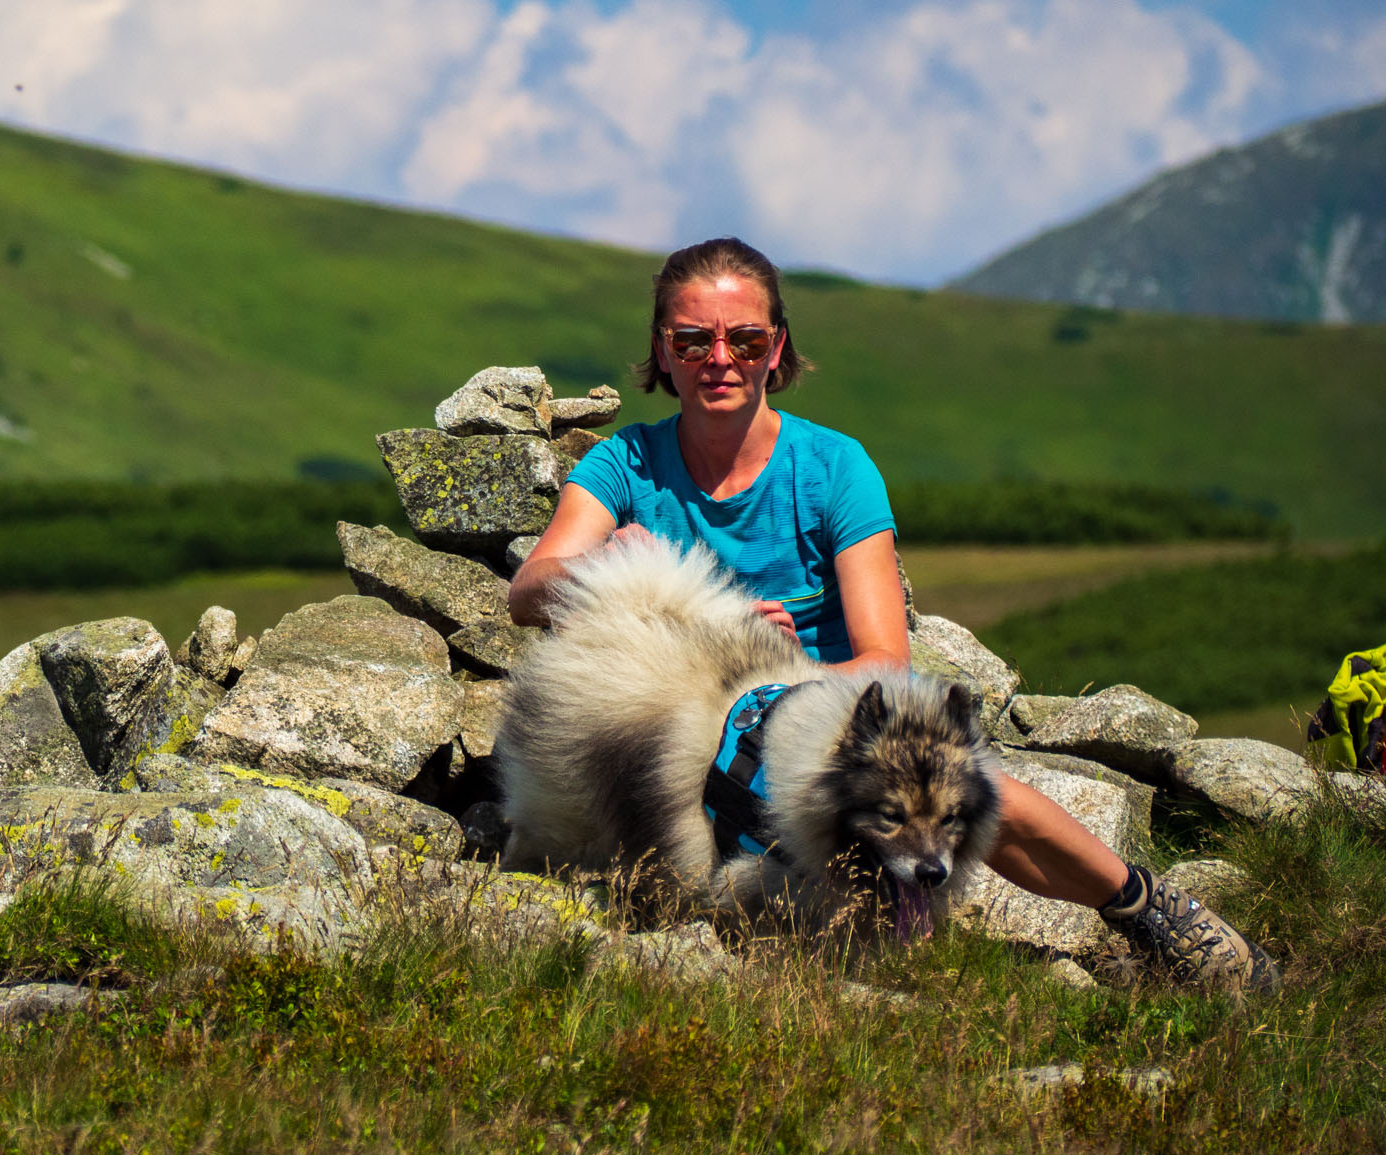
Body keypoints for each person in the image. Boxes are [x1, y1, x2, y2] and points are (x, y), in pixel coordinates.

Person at [507, 237, 1278, 991]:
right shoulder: (624, 463)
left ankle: (1153, 914)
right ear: (662, 350)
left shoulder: (835, 467)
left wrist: (795, 677)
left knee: (984, 794)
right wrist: (608, 566)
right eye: (693, 338)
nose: (720, 358)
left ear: (776, 349)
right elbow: (531, 589)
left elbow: (884, 659)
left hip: (835, 718)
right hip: (692, 715)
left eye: (745, 338)